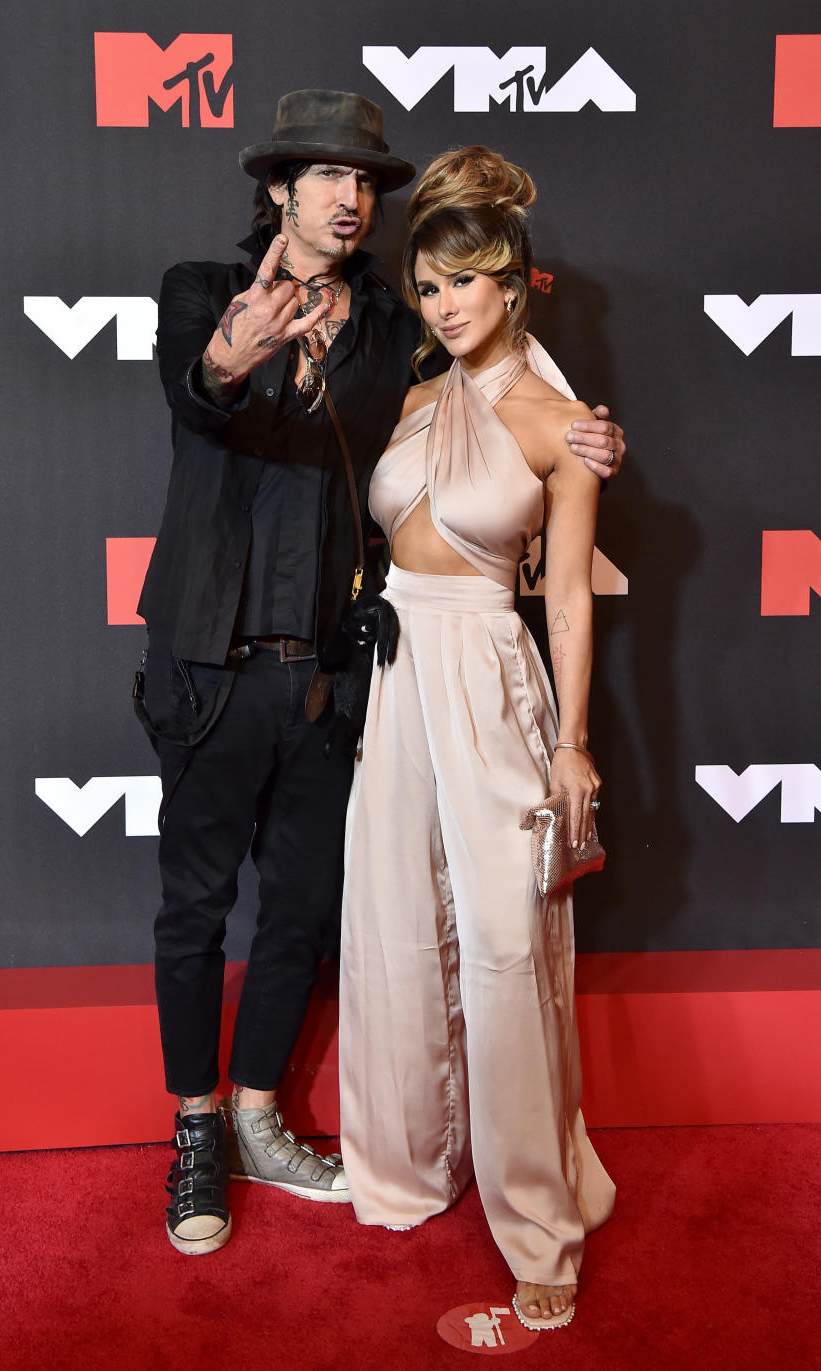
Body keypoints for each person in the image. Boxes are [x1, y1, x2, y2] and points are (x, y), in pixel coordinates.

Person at [137, 92, 625, 1258]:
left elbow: (491, 389)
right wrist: (229, 358)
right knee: (195, 907)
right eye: (326, 176)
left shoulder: (394, 335)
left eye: (366, 181)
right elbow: (193, 391)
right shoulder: (202, 291)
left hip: (338, 678)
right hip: (206, 658)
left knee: (307, 909)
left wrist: (590, 439)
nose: (352, 197)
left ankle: (259, 1113)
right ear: (278, 191)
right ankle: (196, 1131)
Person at [339, 146, 617, 1330]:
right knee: (397, 920)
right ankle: (408, 1168)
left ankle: (541, 1225)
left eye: (467, 283)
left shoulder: (567, 430)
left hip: (493, 678)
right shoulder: (412, 399)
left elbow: (561, 595)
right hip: (396, 678)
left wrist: (573, 742)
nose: (446, 306)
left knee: (507, 946)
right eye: (429, 286)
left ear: (512, 283)